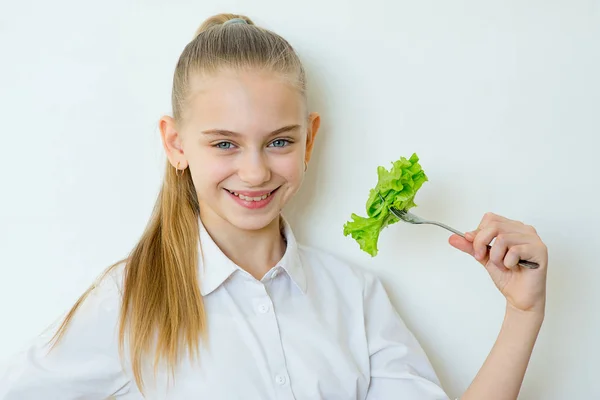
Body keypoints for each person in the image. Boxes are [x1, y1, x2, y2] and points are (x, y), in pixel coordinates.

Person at [0, 13, 548, 400]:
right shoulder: (128, 304)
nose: (256, 170)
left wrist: (522, 315)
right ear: (176, 145)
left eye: (279, 141)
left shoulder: (355, 299)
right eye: (224, 143)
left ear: (310, 141)